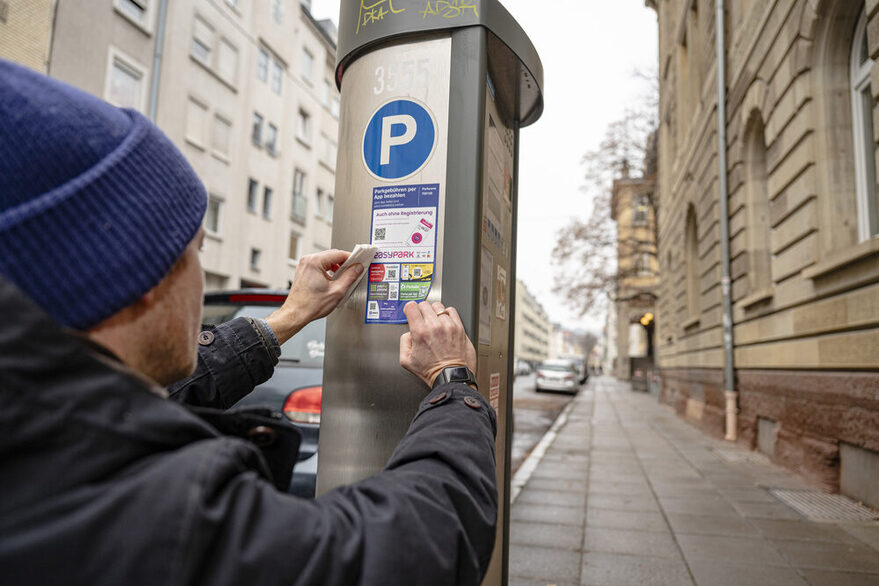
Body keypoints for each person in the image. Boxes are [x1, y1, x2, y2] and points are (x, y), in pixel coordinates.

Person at [0, 59, 497, 585]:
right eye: (195, 248)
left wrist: (288, 318)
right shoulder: (158, 517)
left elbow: (179, 392)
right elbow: (402, 549)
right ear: (141, 271)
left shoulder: (39, 435)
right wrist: (452, 381)